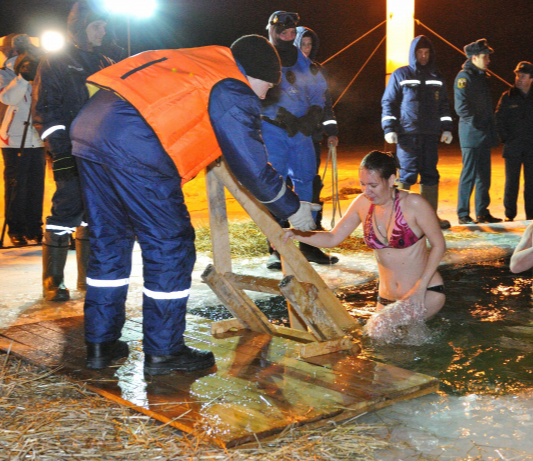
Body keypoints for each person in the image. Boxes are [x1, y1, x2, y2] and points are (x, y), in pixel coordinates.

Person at [70, 35, 319, 375]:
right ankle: (165, 352)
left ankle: (101, 344)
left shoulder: (202, 60)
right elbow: (249, 162)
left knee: (110, 240)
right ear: (256, 75)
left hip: (90, 130)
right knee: (170, 246)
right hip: (135, 143)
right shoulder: (233, 86)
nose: (264, 96)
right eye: (266, 87)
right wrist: (291, 207)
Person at [285, 151, 446, 321]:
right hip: (386, 299)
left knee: (376, 331)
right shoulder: (362, 203)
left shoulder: (413, 203)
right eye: (362, 184)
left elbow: (439, 245)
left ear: (391, 180)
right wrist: (295, 234)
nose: (367, 191)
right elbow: (333, 238)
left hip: (424, 292)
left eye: (373, 185)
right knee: (390, 344)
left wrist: (420, 289)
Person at [32, 0, 116, 301]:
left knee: (94, 214)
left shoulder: (105, 62)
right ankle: (53, 281)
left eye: (104, 26)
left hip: (100, 154)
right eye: (97, 26)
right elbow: (46, 111)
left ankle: (86, 278)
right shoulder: (55, 61)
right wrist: (61, 153)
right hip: (71, 151)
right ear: (81, 28)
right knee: (65, 211)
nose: (103, 31)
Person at [261, 12, 334, 269]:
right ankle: (275, 247)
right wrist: (272, 110)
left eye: (291, 32)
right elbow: (251, 90)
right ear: (272, 31)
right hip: (273, 130)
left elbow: (318, 92)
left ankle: (308, 243)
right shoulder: (263, 59)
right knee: (275, 183)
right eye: (282, 32)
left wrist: (314, 112)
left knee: (307, 183)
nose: (287, 36)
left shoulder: (305, 63)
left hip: (301, 132)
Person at [381, 35, 454, 229]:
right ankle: (401, 219)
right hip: (408, 135)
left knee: (430, 174)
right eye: (419, 53)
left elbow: (444, 105)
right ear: (413, 55)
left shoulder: (436, 77)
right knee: (406, 175)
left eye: (426, 52)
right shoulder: (401, 75)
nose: (423, 56)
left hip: (430, 135)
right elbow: (389, 102)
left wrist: (446, 128)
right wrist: (389, 128)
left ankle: (430, 219)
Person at [0, 34, 45, 247]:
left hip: (37, 137)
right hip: (14, 138)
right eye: (19, 50)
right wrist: (22, 76)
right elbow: (8, 98)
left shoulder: (40, 71)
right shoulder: (2, 73)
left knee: (36, 186)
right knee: (16, 186)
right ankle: (16, 229)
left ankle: (34, 227)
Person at [293, 26, 339, 231]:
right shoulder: (284, 69)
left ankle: (311, 237)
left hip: (312, 139)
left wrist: (332, 132)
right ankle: (277, 246)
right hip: (289, 138)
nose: (307, 48)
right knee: (285, 187)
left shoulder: (319, 71)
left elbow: (326, 105)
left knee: (312, 185)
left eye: (310, 44)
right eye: (302, 44)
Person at [495, 61, 533, 222]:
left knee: (532, 182)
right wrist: (505, 138)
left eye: (523, 76)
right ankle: (510, 214)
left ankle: (531, 212)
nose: (519, 79)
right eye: (517, 75)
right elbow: (499, 119)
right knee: (511, 182)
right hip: (513, 146)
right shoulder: (507, 96)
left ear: (532, 79)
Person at [454, 38, 501, 225]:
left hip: (483, 134)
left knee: (484, 176)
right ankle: (463, 213)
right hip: (472, 134)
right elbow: (462, 108)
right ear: (474, 57)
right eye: (485, 56)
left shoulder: (481, 76)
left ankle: (482, 212)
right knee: (469, 175)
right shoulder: (464, 77)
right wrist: (479, 124)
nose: (488, 60)